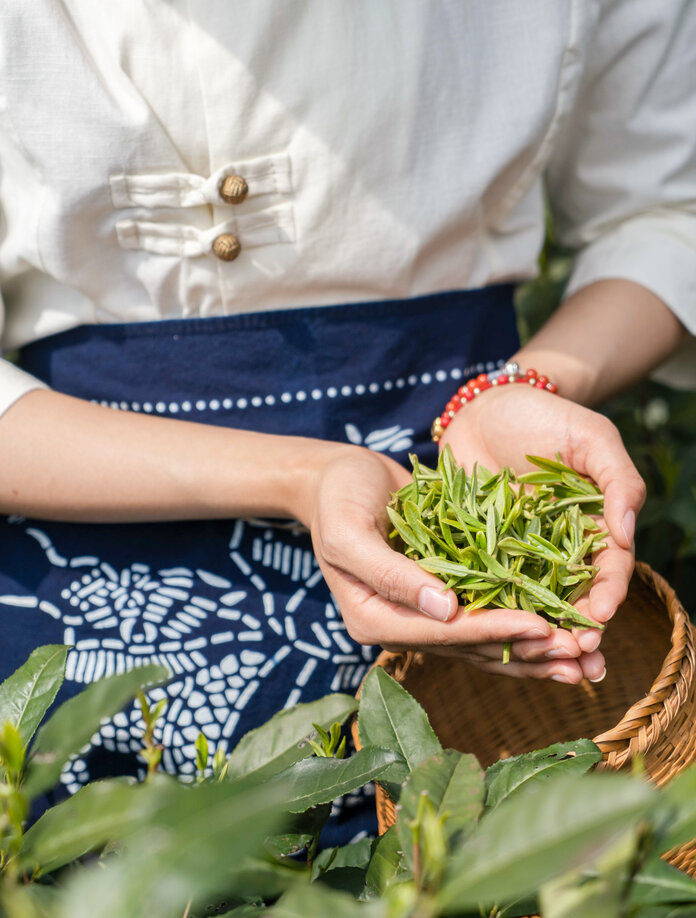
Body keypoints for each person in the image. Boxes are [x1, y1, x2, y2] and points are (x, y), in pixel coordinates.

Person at [0, 2, 694, 839]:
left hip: (462, 519)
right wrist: (303, 474)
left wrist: (521, 389)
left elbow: (664, 214)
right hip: (82, 585)